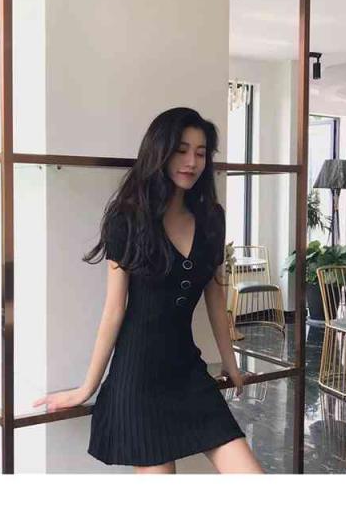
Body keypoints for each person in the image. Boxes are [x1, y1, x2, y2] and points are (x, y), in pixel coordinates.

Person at [32, 107, 264, 474]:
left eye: (201, 153)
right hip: (137, 379)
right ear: (160, 152)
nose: (192, 162)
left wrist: (231, 363)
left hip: (188, 371)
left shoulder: (212, 218)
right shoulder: (127, 218)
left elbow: (215, 296)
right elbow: (114, 309)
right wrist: (87, 388)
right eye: (181, 150)